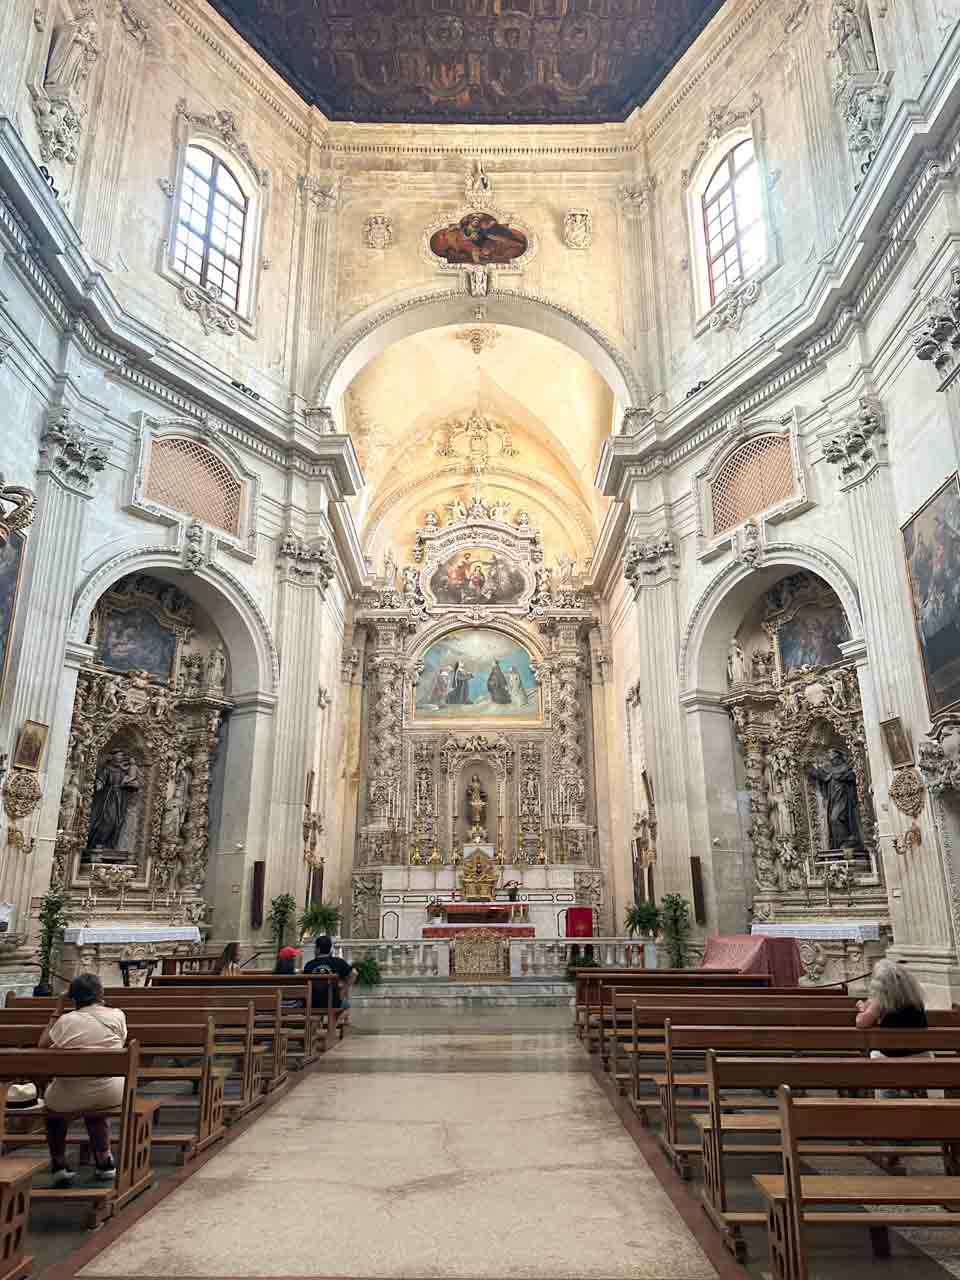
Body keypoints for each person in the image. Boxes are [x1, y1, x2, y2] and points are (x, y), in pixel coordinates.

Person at [40, 973, 126, 1187]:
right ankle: (104, 1159)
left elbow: (42, 1044)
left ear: (73, 997)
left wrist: (59, 1007)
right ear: (100, 993)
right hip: (110, 1092)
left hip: (69, 1096)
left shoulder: (65, 1021)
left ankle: (59, 1164)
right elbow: (121, 1041)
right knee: (95, 1093)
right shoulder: (117, 1015)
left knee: (55, 1108)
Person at [304, 936, 357, 1024]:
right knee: (346, 1006)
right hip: (334, 1002)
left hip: (313, 1002)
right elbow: (354, 973)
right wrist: (344, 989)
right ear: (330, 949)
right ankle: (331, 1028)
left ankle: (316, 1027)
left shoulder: (309, 965)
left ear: (317, 949)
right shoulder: (338, 962)